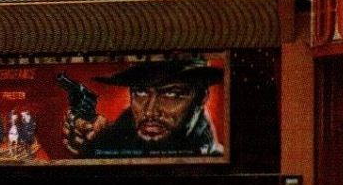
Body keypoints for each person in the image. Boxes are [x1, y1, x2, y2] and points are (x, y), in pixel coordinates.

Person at [63, 59, 225, 157]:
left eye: (171, 94)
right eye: (140, 91)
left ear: (202, 97)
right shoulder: (111, 135)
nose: (149, 111)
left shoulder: (214, 155)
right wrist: (98, 142)